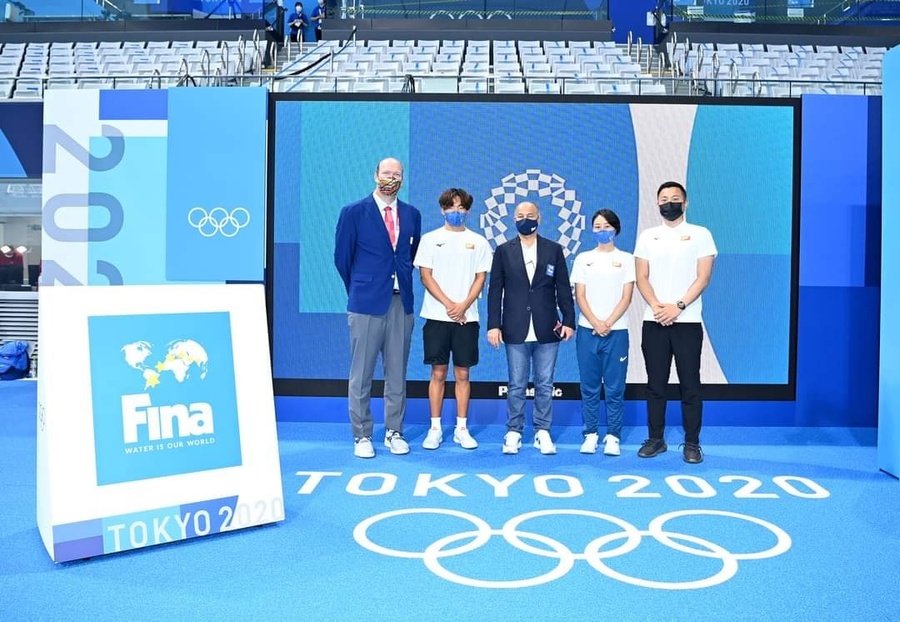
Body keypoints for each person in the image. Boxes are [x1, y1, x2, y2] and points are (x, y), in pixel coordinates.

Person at [334, 158, 422, 458]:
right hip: (366, 304)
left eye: (397, 174)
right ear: (375, 175)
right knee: (362, 373)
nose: (391, 178)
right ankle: (362, 435)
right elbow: (342, 258)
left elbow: (409, 254)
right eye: (387, 173)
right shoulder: (354, 212)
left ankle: (394, 431)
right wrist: (362, 287)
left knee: (397, 372)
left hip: (402, 303)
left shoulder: (411, 214)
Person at [633, 181, 717, 464]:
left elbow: (703, 277)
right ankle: (656, 439)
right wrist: (658, 306)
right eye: (664, 199)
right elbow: (641, 277)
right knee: (656, 383)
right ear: (657, 204)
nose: (669, 203)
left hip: (687, 320)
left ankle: (692, 443)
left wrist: (678, 306)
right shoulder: (648, 236)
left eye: (675, 198)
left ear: (686, 203)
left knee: (690, 383)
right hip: (654, 319)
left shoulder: (700, 234)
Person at [487, 201, 576, 455]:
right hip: (514, 326)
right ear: (513, 219)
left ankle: (542, 431)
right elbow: (495, 291)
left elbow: (562, 287)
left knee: (545, 383)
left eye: (530, 215)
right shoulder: (503, 251)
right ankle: (514, 430)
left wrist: (568, 319)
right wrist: (494, 325)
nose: (525, 219)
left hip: (548, 326)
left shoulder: (553, 249)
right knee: (516, 383)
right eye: (520, 215)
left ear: (540, 218)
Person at [413, 188, 493, 451]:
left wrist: (463, 306)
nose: (456, 212)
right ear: (442, 210)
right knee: (437, 372)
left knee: (462, 373)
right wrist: (449, 305)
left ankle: (461, 428)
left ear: (468, 211)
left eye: (460, 208)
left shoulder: (479, 242)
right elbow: (426, 276)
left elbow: (481, 278)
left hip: (466, 318)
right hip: (437, 316)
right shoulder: (429, 239)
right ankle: (434, 428)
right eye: (451, 207)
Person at [571, 209, 634, 456]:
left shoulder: (627, 259)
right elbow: (580, 295)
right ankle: (590, 434)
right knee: (589, 386)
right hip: (588, 330)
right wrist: (595, 322)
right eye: (597, 226)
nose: (602, 230)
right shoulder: (583, 258)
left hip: (617, 331)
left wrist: (608, 322)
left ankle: (613, 436)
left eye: (607, 226)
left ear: (616, 229)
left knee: (615, 388)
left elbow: (626, 296)